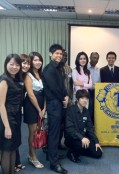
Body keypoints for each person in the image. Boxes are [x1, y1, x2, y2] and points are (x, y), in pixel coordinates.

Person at [42, 44, 68, 174]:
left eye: (61, 54)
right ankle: (54, 163)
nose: (59, 56)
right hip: (53, 105)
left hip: (59, 103)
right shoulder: (48, 69)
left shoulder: (58, 68)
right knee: (53, 134)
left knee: (57, 132)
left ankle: (52, 155)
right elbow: (54, 88)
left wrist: (66, 95)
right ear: (50, 54)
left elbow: (62, 86)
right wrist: (64, 98)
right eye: (56, 53)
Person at [0, 54, 23, 174]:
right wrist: (7, 127)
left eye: (17, 65)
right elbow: (1, 105)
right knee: (7, 149)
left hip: (16, 116)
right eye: (11, 64)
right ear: (6, 64)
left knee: (14, 147)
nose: (14, 67)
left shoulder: (16, 79)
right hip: (7, 117)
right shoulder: (4, 80)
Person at [65, 89, 103, 163]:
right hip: (71, 138)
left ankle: (80, 150)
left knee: (98, 153)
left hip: (83, 137)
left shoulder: (86, 111)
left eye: (86, 98)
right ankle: (71, 153)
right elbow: (69, 129)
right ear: (77, 99)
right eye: (82, 98)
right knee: (80, 145)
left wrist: (96, 142)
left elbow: (90, 128)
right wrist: (81, 138)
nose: (85, 100)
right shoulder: (70, 110)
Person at [23, 52, 45, 168]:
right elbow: (31, 95)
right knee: (32, 132)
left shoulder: (42, 74)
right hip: (31, 106)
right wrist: (39, 110)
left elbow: (46, 92)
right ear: (31, 62)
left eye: (39, 60)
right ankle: (33, 157)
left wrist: (44, 108)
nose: (38, 62)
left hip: (41, 104)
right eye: (35, 60)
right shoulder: (28, 75)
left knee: (38, 130)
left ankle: (31, 154)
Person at [14, 54, 31, 172]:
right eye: (23, 63)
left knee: (16, 137)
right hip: (10, 112)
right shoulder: (13, 77)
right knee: (12, 138)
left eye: (28, 63)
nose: (26, 65)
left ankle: (17, 162)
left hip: (18, 111)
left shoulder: (24, 76)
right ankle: (13, 164)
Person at [88, 52, 100, 123]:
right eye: (94, 57)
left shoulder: (98, 69)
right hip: (87, 92)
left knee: (95, 111)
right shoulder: (85, 67)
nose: (95, 59)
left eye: (97, 58)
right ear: (90, 58)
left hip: (96, 92)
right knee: (88, 111)